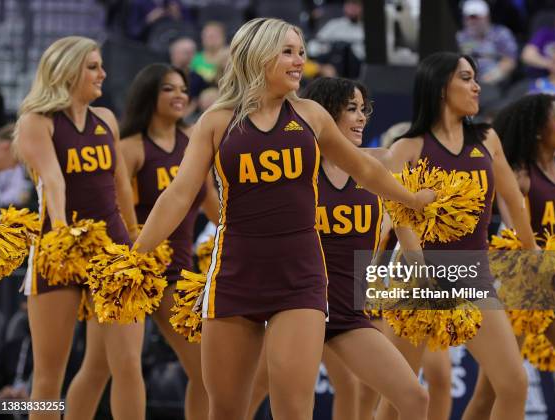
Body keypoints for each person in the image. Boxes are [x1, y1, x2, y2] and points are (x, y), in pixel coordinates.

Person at [132, 17, 435, 420]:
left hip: (301, 278)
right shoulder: (217, 121)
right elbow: (179, 195)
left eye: (301, 52)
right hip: (235, 275)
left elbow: (366, 169)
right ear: (258, 57)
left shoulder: (310, 115)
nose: (299, 61)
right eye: (288, 52)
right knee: (226, 410)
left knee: (294, 408)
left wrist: (410, 198)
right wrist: (135, 256)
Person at [246, 77, 430, 420]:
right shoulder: (297, 165)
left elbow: (404, 226)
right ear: (326, 113)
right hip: (297, 308)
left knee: (414, 398)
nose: (361, 117)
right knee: (257, 400)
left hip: (348, 313)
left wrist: (424, 274)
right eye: (351, 109)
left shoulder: (380, 161)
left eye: (364, 109)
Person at [381, 52, 539, 420]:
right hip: (419, 278)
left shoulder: (487, 138)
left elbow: (514, 202)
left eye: (476, 77)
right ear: (439, 87)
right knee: (398, 398)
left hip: (473, 272)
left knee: (514, 383)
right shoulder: (407, 148)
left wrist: (532, 256)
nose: (476, 85)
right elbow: (402, 221)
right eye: (466, 78)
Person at [14, 36, 144, 420]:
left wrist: (135, 237)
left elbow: (121, 185)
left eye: (101, 65)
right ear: (67, 71)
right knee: (48, 377)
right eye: (92, 66)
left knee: (126, 364)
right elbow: (54, 181)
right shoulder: (36, 122)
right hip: (61, 251)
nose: (102, 73)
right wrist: (63, 236)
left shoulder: (106, 119)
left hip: (113, 251)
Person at [464, 93, 555, 420]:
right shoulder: (517, 173)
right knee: (492, 391)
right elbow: (515, 230)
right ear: (538, 129)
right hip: (524, 285)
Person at [119, 62, 219, 420]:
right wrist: (131, 263)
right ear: (149, 94)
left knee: (206, 375)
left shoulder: (193, 143)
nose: (179, 95)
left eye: (182, 89)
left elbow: (212, 204)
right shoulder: (130, 148)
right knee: (110, 369)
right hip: (135, 272)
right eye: (168, 89)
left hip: (178, 272)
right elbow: (117, 213)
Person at [456, 0, 518, 86]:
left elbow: (510, 62)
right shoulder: (461, 37)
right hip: (470, 81)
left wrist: (489, 79)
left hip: (497, 82)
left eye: (475, 17)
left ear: (486, 17)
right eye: (468, 18)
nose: (472, 21)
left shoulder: (501, 33)